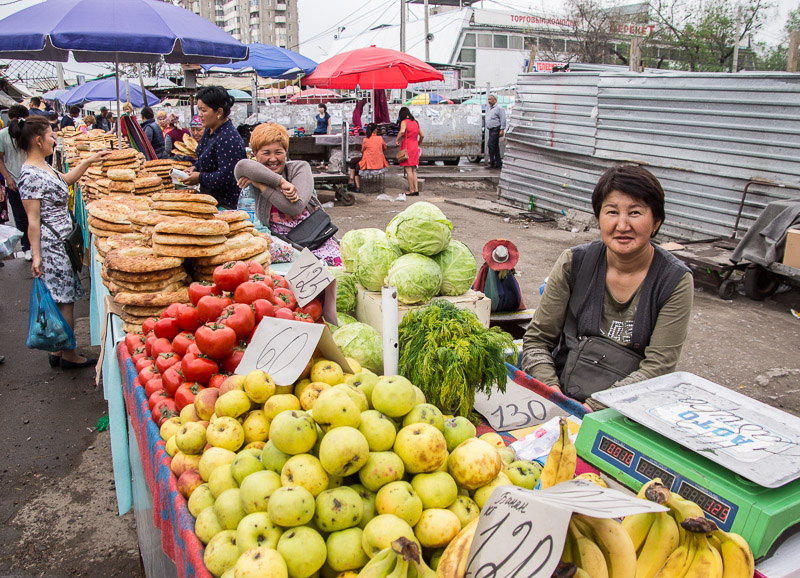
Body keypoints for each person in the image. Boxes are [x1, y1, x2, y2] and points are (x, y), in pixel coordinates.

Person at [520, 165, 693, 411]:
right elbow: (538, 340)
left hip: (628, 410)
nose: (622, 225)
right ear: (599, 217)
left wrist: (592, 409)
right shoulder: (574, 263)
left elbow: (658, 367)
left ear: (656, 221)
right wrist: (554, 395)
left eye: (635, 212)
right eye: (611, 212)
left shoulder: (674, 281)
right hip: (560, 397)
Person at [13, 116, 109, 369]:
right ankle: (68, 354)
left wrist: (88, 161)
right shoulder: (30, 175)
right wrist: (36, 256)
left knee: (64, 295)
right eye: (51, 136)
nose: (54, 140)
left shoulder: (43, 167)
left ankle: (58, 351)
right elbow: (32, 221)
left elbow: (65, 180)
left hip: (61, 241)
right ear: (38, 140)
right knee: (64, 298)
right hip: (51, 245)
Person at [234, 123, 342, 266]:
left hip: (317, 240)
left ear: (286, 152)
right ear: (255, 154)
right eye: (266, 153)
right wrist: (281, 183)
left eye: (278, 152)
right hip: (285, 245)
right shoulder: (254, 173)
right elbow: (241, 166)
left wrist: (261, 185)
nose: (273, 159)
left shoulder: (299, 168)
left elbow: (294, 208)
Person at [181, 86, 246, 209]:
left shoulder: (228, 138)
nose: (199, 115)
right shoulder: (209, 130)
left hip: (226, 205)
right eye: (199, 109)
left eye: (203, 110)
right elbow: (204, 157)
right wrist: (195, 168)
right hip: (210, 199)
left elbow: (227, 176)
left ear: (219, 112)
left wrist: (199, 177)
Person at [0, 104, 31, 260]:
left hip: (14, 182)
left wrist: (8, 178)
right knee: (32, 215)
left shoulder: (3, 134)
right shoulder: (28, 132)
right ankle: (31, 247)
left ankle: (27, 248)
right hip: (29, 181)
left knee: (20, 216)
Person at [349, 123, 387, 192]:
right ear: (375, 130)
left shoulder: (366, 139)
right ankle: (352, 180)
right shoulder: (380, 138)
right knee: (355, 162)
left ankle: (355, 184)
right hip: (379, 162)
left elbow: (362, 150)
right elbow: (384, 148)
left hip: (369, 162)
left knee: (354, 163)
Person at [394, 107, 423, 197]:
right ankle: (416, 190)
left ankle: (411, 190)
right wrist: (418, 143)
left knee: (408, 170)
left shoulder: (404, 122)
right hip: (415, 147)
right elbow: (422, 135)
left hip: (407, 147)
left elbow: (402, 131)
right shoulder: (415, 122)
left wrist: (397, 139)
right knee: (413, 170)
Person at [485, 94, 506, 169]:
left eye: (490, 99)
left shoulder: (499, 108)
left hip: (496, 128)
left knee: (490, 145)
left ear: (495, 100)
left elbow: (503, 119)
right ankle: (498, 162)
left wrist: (502, 129)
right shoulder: (490, 108)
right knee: (495, 146)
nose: (489, 101)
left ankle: (492, 162)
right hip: (491, 129)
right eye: (488, 99)